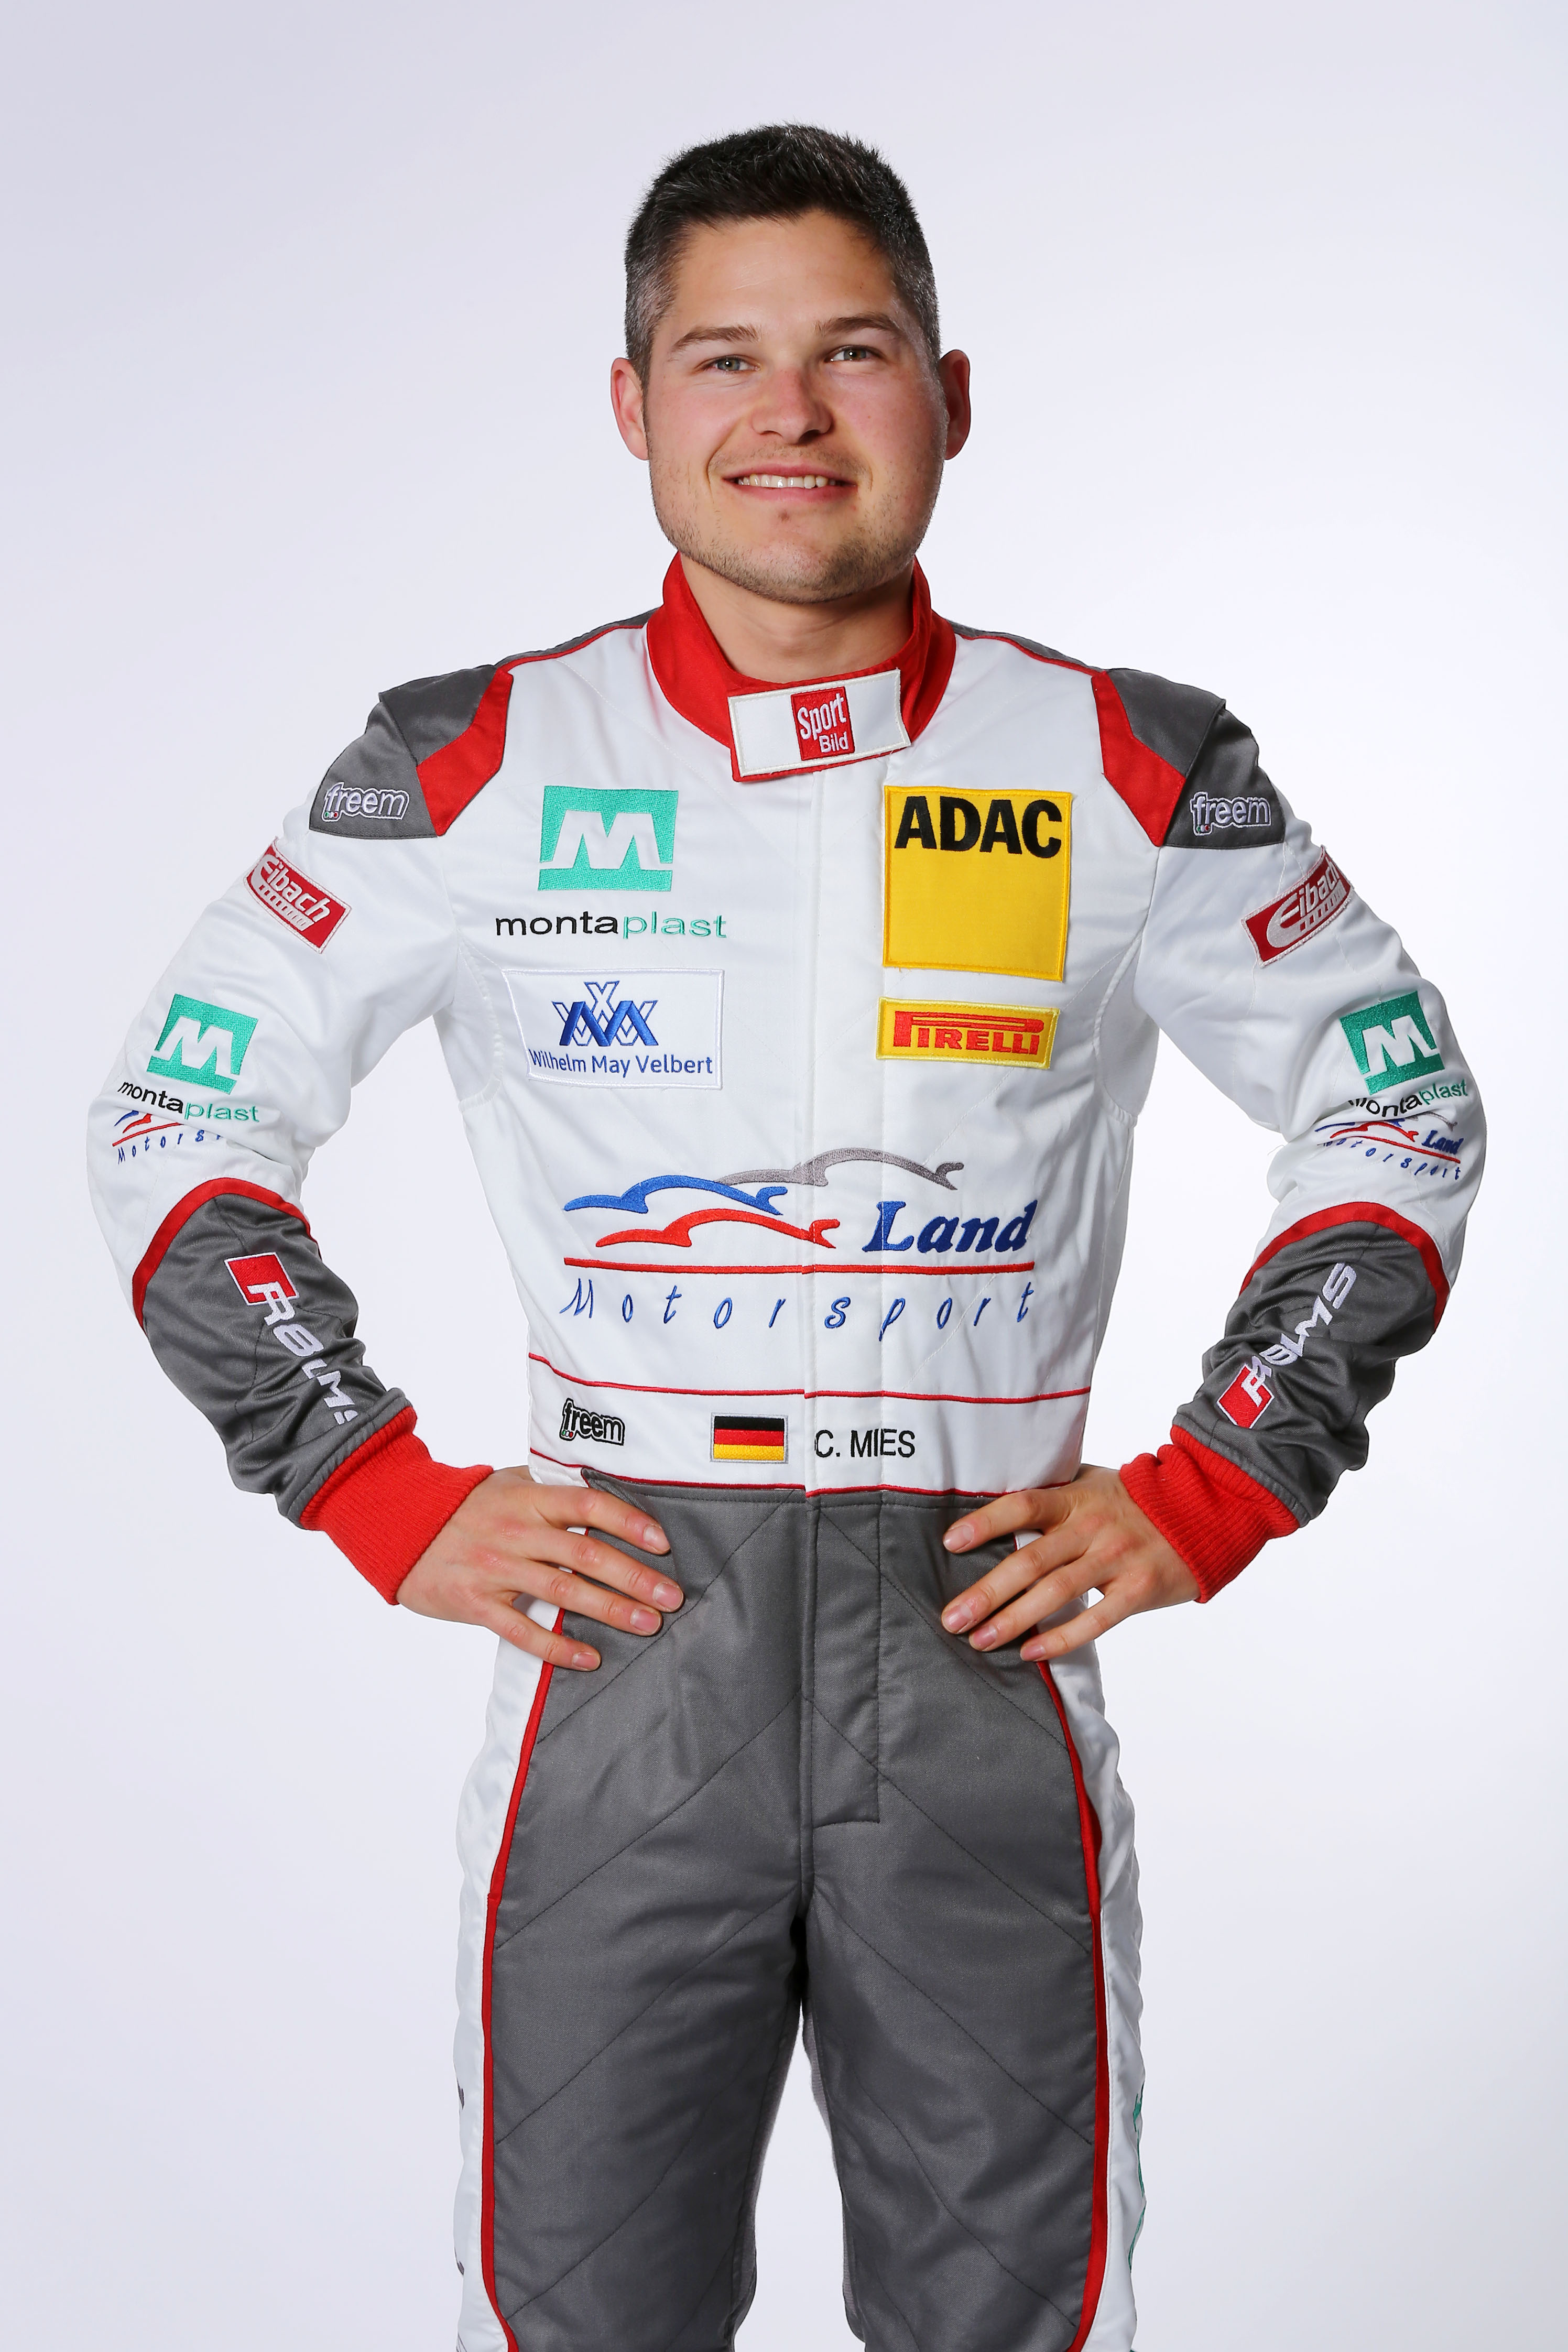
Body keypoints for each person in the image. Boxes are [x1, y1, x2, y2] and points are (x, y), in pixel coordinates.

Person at [87, 123, 1483, 2352]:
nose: (792, 414)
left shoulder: (1134, 762)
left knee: (1012, 2324)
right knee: (578, 2323)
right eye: (723, 358)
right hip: (631, 1657)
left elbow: (1395, 1105)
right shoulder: (464, 763)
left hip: (978, 1652)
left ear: (949, 392)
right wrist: (366, 1478)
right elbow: (178, 1121)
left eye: (854, 351)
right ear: (632, 405)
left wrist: (1227, 1474)